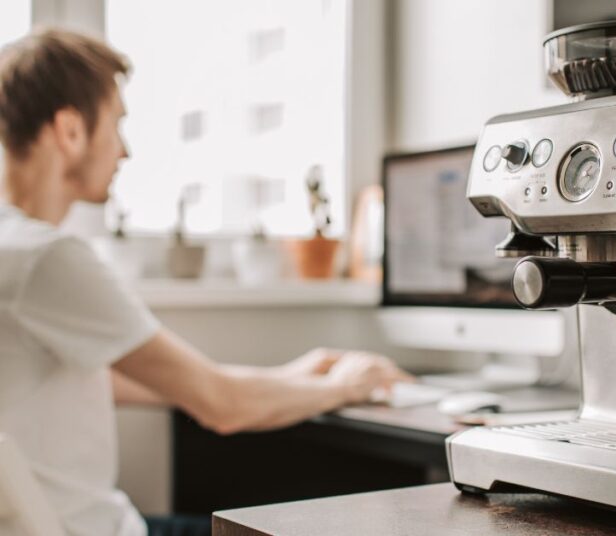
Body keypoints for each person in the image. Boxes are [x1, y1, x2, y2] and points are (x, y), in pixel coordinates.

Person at [0, 29, 412, 536]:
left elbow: (101, 379)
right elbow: (221, 405)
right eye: (117, 124)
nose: (125, 151)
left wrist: (295, 376)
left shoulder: (12, 251)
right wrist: (343, 386)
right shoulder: (47, 259)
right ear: (69, 130)